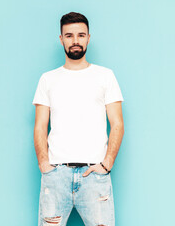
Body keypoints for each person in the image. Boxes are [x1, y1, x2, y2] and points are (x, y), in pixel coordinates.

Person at [32, 12, 124, 226]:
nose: (75, 41)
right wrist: (45, 165)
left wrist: (107, 163)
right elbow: (40, 126)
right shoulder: (48, 79)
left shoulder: (105, 76)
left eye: (81, 35)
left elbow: (117, 123)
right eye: (69, 35)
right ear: (61, 39)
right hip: (56, 175)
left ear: (88, 38)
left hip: (94, 176)